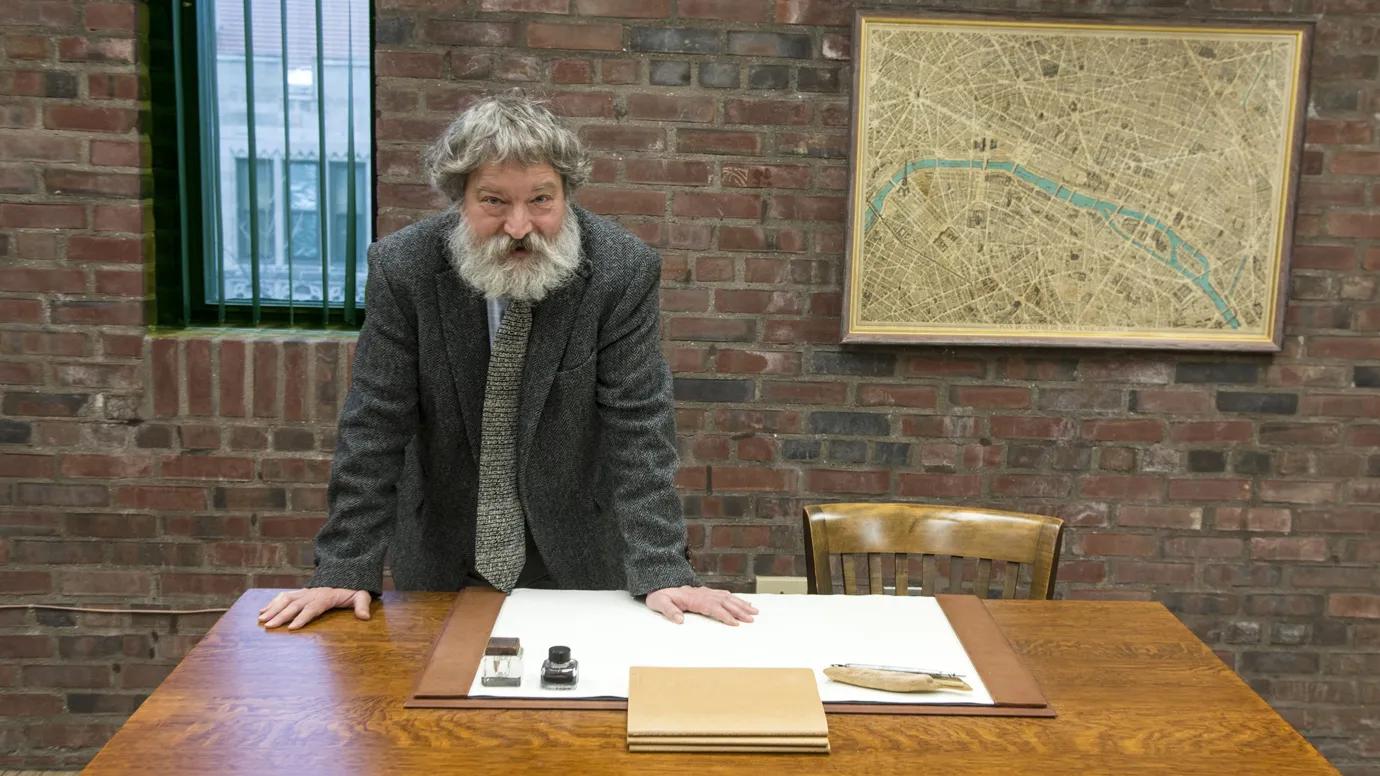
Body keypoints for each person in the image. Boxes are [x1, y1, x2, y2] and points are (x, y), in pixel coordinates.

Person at [258, 93, 757, 631]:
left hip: (580, 550)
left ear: (567, 193)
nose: (519, 226)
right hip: (446, 548)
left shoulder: (622, 271)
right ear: (460, 199)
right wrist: (346, 564)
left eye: (541, 199)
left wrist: (662, 565)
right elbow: (375, 421)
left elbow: (638, 427)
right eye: (494, 201)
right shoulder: (405, 268)